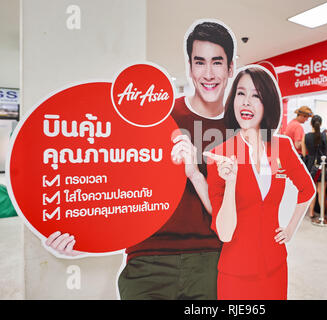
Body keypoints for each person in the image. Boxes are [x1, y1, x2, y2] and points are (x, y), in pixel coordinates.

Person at [45, 20, 236, 300]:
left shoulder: (241, 129)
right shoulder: (158, 117)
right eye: (200, 62)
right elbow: (114, 182)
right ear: (190, 66)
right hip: (147, 259)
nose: (208, 73)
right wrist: (82, 236)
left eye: (217, 62)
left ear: (231, 67)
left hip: (211, 259)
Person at [204, 66, 315, 300]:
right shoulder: (221, 154)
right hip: (236, 271)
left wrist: (290, 229)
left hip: (275, 266)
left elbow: (307, 189)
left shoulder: (280, 147)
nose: (246, 102)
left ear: (268, 104)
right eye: (241, 94)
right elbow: (224, 233)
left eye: (256, 96)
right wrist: (231, 182)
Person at [302, 115, 327, 218]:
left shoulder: (306, 136)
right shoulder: (325, 135)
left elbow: (304, 153)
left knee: (312, 190)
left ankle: (311, 213)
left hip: (311, 165)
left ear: (311, 124)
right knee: (321, 190)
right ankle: (322, 214)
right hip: (322, 165)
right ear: (321, 123)